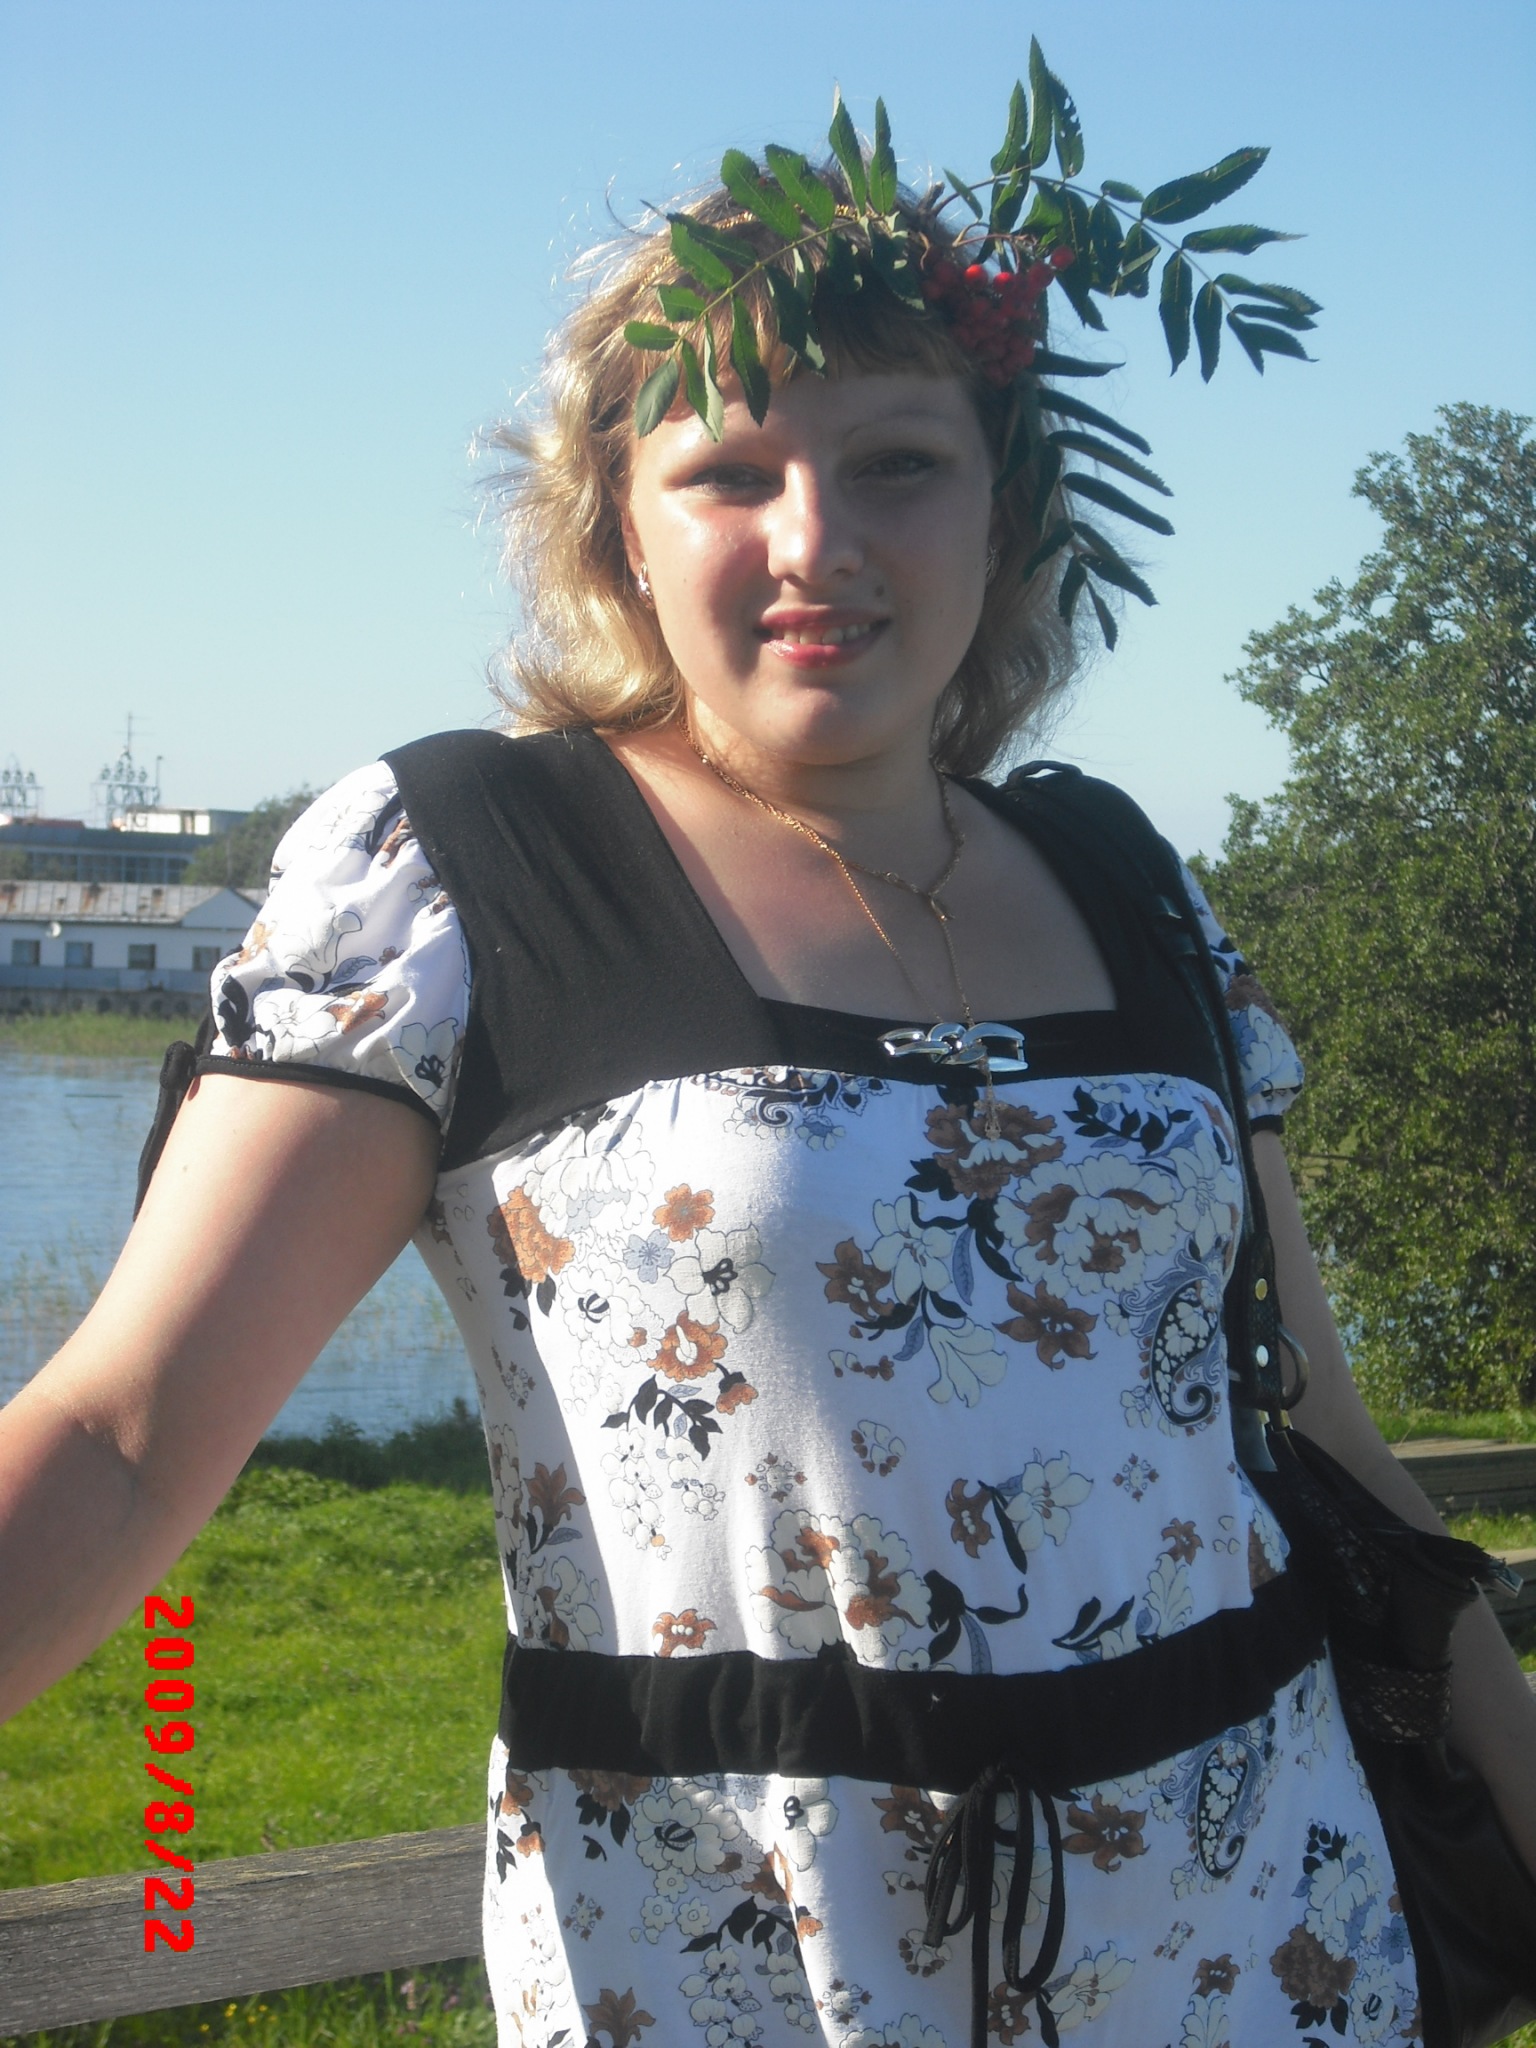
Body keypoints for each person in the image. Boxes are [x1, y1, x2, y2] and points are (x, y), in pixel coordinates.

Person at [3, 108, 1534, 2048]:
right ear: (617, 528)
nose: (818, 541)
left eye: (899, 462)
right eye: (729, 472)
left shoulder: (1126, 878)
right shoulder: (469, 875)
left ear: (1003, 511)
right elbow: (124, 1435)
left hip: (1268, 1947)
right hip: (750, 1970)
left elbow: (1321, 1440)